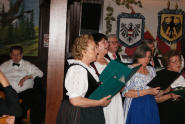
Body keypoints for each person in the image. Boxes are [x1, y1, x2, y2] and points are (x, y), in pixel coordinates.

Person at [56, 34, 111, 124]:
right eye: (94, 49)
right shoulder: (77, 69)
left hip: (87, 112)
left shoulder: (87, 68)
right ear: (83, 51)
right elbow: (75, 100)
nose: (97, 52)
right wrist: (99, 103)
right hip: (79, 115)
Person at [0, 46, 43, 124]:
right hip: (8, 92)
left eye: (18, 54)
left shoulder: (27, 65)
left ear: (22, 55)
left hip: (25, 92)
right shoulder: (4, 66)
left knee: (36, 97)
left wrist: (27, 77)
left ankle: (19, 119)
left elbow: (40, 73)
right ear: (10, 55)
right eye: (13, 54)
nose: (16, 57)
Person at [122, 43, 160, 124]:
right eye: (144, 57)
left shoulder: (151, 69)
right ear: (138, 56)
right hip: (135, 105)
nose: (147, 60)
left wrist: (163, 89)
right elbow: (126, 93)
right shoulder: (127, 69)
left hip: (150, 104)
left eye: (149, 57)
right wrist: (148, 91)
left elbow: (155, 90)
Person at [91, 33, 124, 124]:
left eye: (107, 42)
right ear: (95, 46)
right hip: (103, 100)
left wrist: (122, 81)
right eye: (103, 42)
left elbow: (120, 78)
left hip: (115, 98)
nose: (107, 44)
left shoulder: (109, 61)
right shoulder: (92, 63)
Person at [155, 50, 185, 124]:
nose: (178, 63)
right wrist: (169, 95)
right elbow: (156, 99)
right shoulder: (160, 75)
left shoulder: (182, 74)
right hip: (168, 111)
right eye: (174, 62)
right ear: (167, 64)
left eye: (179, 60)